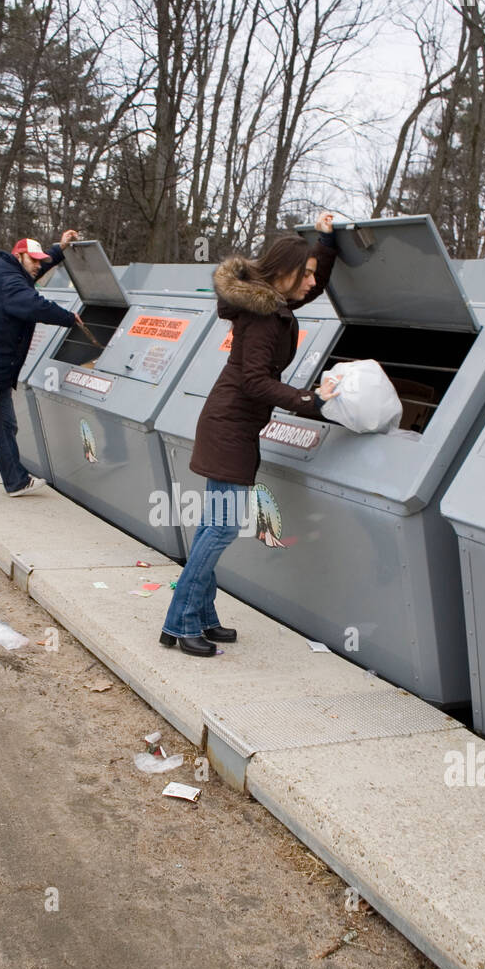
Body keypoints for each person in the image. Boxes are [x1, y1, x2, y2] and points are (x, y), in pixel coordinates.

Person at [160, 211, 339, 656]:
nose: (312, 284)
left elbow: (303, 293)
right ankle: (179, 623)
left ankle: (200, 616)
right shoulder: (262, 318)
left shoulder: (270, 303)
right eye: (307, 275)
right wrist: (309, 400)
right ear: (283, 274)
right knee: (220, 530)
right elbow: (255, 381)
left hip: (232, 426)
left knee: (210, 528)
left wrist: (324, 244)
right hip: (230, 429)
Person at [0, 233, 83, 502]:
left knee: (5, 427)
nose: (38, 266)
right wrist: (69, 318)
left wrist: (59, 249)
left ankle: (16, 481)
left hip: (0, 368)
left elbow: (37, 269)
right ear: (18, 257)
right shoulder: (10, 283)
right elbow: (34, 305)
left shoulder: (14, 273)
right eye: (33, 261)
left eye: (40, 261)